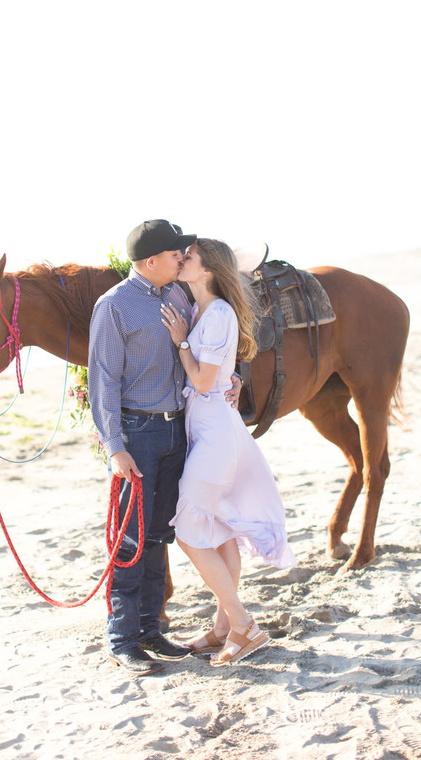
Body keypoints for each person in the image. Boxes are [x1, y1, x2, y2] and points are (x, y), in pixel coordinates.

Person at [88, 220, 242, 675]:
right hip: (137, 434)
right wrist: (115, 446)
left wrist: (232, 379)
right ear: (151, 261)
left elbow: (207, 353)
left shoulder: (178, 295)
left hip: (179, 432)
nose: (182, 258)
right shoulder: (114, 306)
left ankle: (152, 630)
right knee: (130, 537)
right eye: (175, 254)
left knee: (159, 535)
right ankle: (123, 637)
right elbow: (103, 380)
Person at [161, 237, 296, 666]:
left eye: (191, 257)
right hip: (208, 429)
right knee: (218, 531)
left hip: (216, 434)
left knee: (187, 529)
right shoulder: (201, 309)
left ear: (209, 270)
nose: (183, 260)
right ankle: (223, 627)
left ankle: (244, 625)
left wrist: (182, 342)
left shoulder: (215, 313)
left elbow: (201, 382)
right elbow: (216, 376)